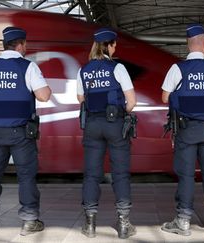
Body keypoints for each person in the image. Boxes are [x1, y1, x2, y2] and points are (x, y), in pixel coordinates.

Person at [0, 26, 51, 236]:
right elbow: (43, 96)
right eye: (25, 44)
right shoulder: (28, 67)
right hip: (21, 133)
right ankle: (29, 221)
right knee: (26, 177)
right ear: (21, 44)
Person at [160, 23, 204, 236]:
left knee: (187, 175)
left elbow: (164, 97)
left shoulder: (177, 69)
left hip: (186, 130)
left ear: (189, 46)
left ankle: (183, 221)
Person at [77, 27, 137, 239]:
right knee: (120, 173)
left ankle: (90, 223)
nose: (115, 48)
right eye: (114, 44)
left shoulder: (83, 70)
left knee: (92, 174)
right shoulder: (118, 68)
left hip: (93, 125)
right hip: (115, 124)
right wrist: (120, 111)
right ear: (109, 46)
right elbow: (132, 102)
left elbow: (81, 99)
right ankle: (123, 223)